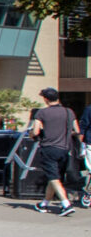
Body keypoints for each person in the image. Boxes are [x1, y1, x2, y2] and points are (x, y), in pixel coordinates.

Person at [31, 87, 81, 216]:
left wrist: (34, 134)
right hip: (64, 149)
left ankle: (66, 204)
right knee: (54, 178)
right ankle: (44, 204)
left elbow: (35, 132)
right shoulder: (68, 112)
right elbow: (77, 130)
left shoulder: (41, 113)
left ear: (46, 99)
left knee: (53, 177)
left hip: (48, 148)